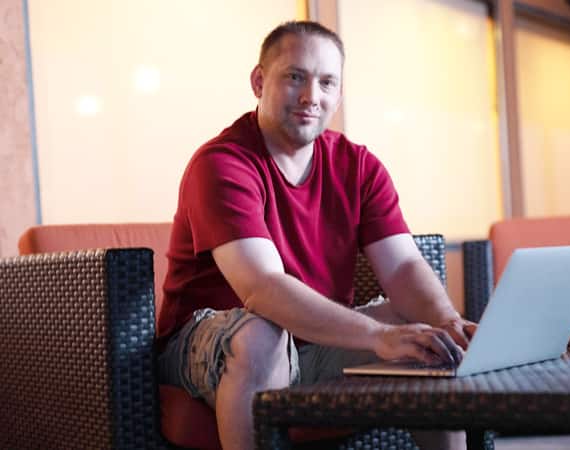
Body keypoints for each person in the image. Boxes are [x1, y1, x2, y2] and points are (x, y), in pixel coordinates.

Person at [157, 20, 476, 450]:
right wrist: (377, 337)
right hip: (207, 342)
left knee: (426, 339)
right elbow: (262, 288)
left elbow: (402, 265)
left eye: (327, 82)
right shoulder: (223, 163)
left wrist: (446, 324)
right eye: (295, 77)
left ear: (339, 93)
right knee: (261, 333)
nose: (312, 97)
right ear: (258, 81)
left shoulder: (359, 166)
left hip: (312, 341)